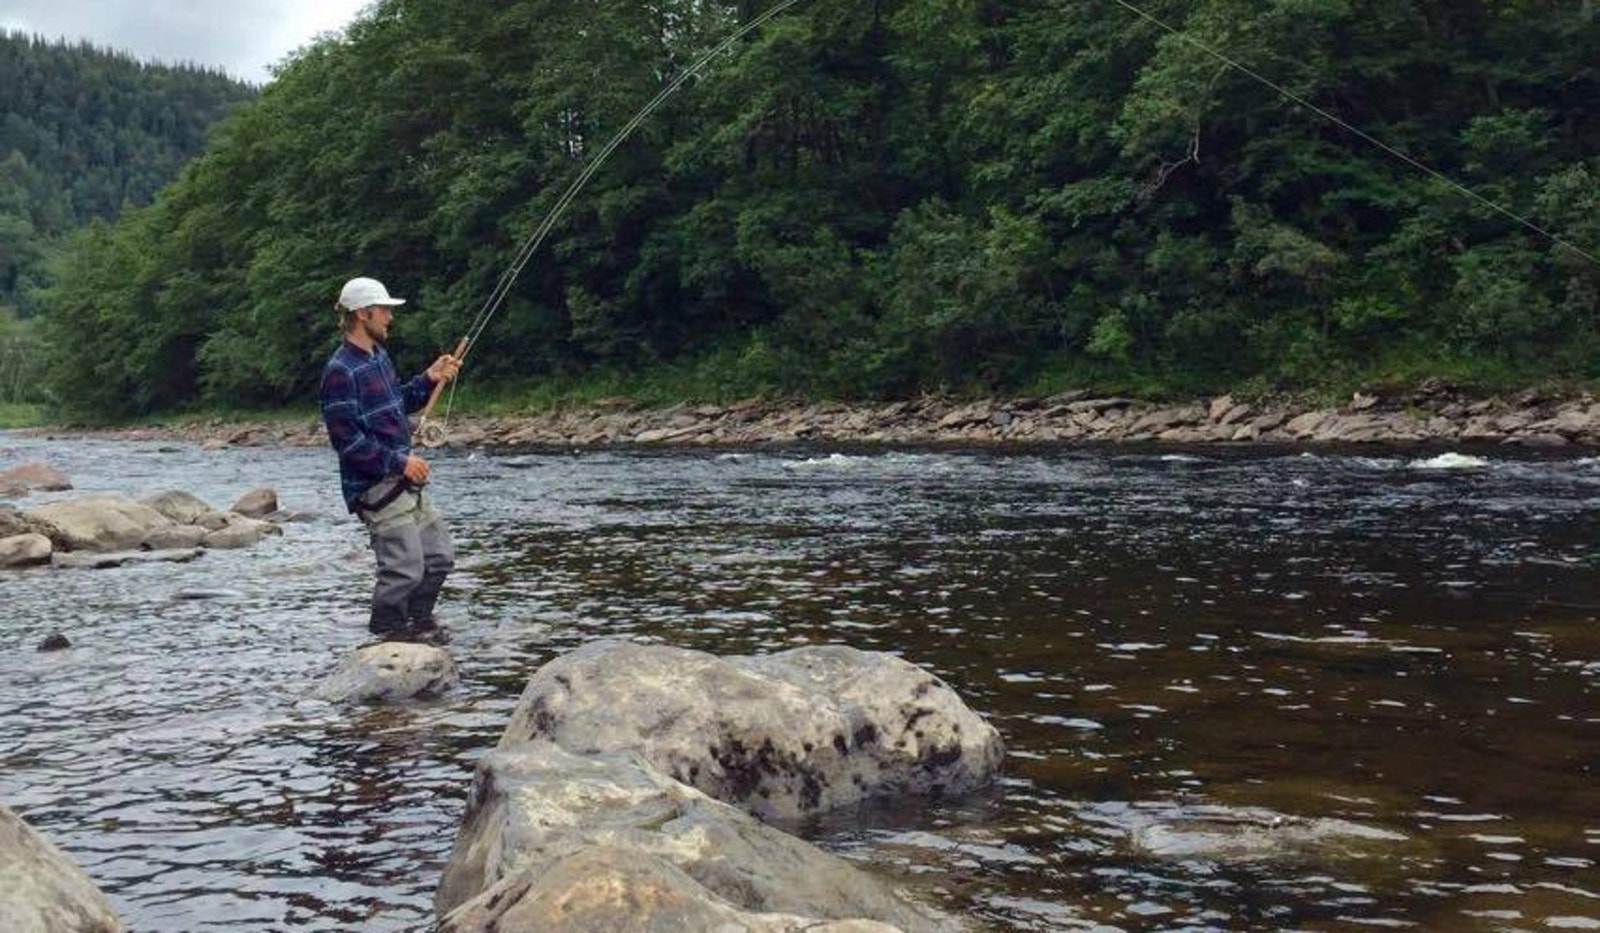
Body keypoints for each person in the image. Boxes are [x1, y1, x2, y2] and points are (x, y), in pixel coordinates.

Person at [319, 276, 462, 644]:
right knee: (404, 572)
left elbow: (396, 403)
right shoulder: (339, 371)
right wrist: (399, 463)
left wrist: (429, 379)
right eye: (384, 310)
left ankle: (417, 627)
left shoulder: (378, 357)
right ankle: (388, 642)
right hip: (375, 487)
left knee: (439, 559)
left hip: (404, 481)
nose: (389, 317)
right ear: (363, 313)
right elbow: (346, 442)